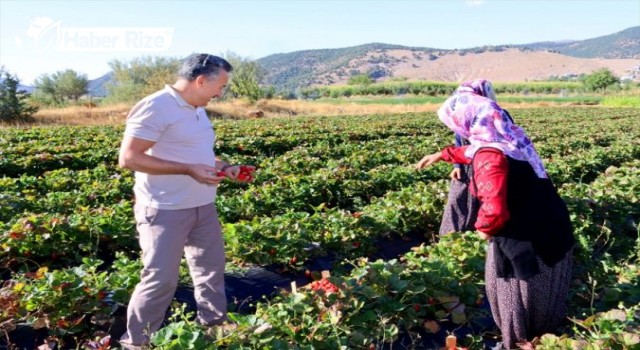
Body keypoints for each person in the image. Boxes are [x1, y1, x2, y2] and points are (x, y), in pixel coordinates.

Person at [415, 79, 575, 349]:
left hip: (523, 236)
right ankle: (542, 337)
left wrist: (482, 232)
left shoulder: (489, 157)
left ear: (467, 121)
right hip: (551, 224)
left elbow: (494, 211)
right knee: (544, 291)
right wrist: (442, 154)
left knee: (511, 289)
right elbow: (474, 150)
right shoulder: (510, 141)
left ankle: (516, 341)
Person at [117, 53, 254, 348]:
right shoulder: (156, 106)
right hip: (165, 208)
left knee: (210, 270)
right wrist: (187, 170)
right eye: (221, 86)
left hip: (202, 205)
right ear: (201, 80)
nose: (221, 93)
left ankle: (214, 326)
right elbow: (128, 158)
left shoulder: (197, 109)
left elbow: (197, 155)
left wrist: (225, 168)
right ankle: (138, 341)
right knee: (160, 280)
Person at [438, 80, 513, 235]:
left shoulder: (497, 114)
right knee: (458, 199)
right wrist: (457, 166)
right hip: (467, 162)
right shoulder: (464, 114)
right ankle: (452, 235)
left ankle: (483, 229)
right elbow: (459, 141)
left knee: (489, 199)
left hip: (487, 163)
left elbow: (507, 141)